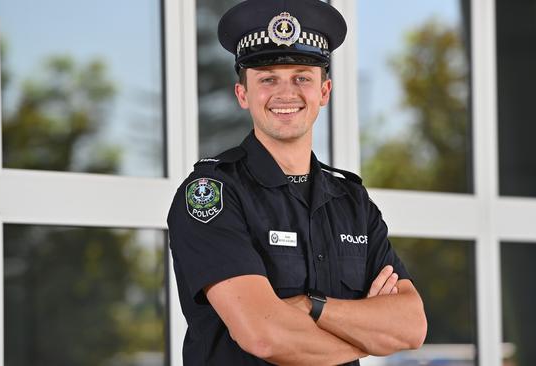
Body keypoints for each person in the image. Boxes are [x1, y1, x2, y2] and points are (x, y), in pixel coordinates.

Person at [167, 0, 427, 364]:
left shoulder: (352, 203)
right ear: (243, 94)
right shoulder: (214, 195)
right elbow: (265, 337)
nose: (286, 93)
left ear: (324, 92)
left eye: (302, 77)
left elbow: (411, 326)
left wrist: (311, 305)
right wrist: (369, 338)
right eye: (268, 78)